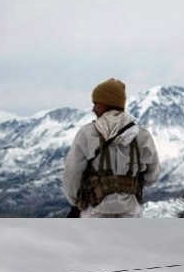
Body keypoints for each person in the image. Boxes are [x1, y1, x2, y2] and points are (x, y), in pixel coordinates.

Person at [63, 78, 160, 218]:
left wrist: (76, 202)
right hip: (131, 212)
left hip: (94, 212)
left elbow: (71, 174)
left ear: (106, 103)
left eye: (96, 103)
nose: (93, 108)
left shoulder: (87, 133)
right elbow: (152, 176)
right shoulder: (142, 135)